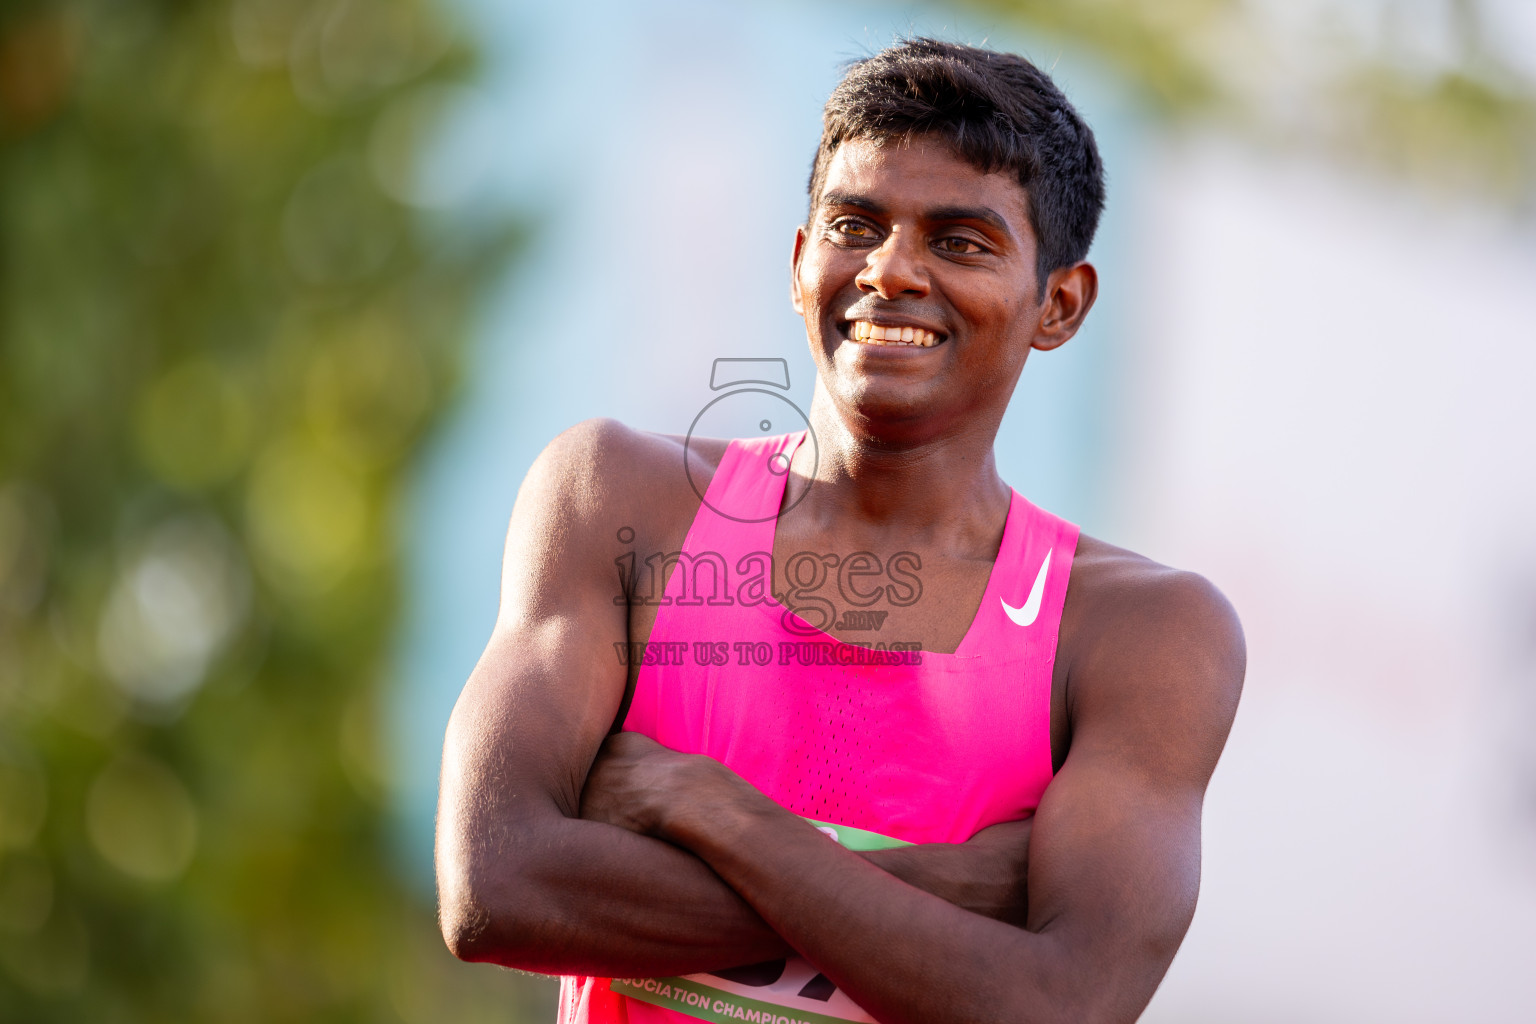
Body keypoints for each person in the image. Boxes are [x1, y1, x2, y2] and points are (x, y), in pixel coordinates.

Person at [435, 38, 1245, 1024]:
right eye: (856, 224)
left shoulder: (1140, 633)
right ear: (797, 261)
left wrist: (715, 811)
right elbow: (496, 883)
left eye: (960, 240)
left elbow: (1063, 1004)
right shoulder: (622, 500)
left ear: (1060, 305)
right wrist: (939, 884)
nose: (893, 269)